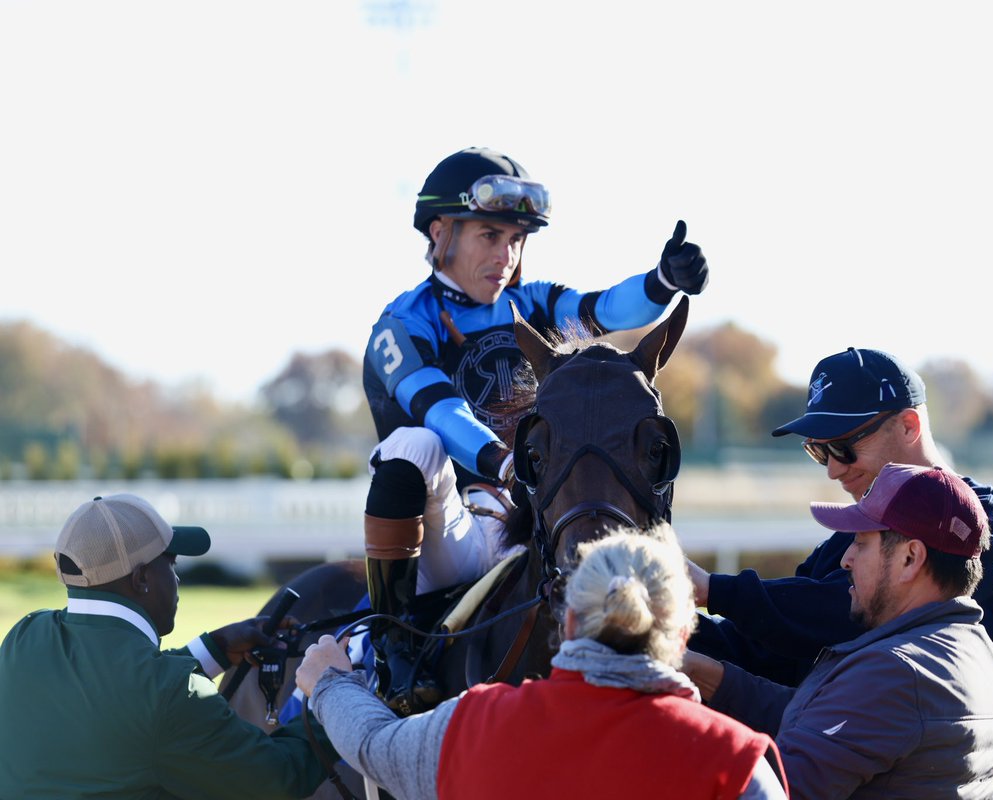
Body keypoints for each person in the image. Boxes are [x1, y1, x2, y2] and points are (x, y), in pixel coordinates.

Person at [361, 146, 710, 711]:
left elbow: (606, 310)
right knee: (415, 443)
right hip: (444, 528)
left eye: (516, 240)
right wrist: (502, 460)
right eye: (490, 236)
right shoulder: (402, 323)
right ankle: (392, 640)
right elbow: (439, 407)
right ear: (441, 231)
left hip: (529, 519)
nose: (506, 254)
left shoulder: (532, 303)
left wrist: (662, 280)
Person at [686, 347, 993, 800]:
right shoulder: (853, 536)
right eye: (819, 451)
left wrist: (711, 589)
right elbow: (769, 647)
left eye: (844, 445)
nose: (834, 468)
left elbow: (836, 620)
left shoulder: (981, 523)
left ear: (909, 425)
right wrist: (655, 629)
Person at [297, 527, 788, 800]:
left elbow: (371, 745)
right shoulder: (736, 762)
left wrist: (332, 684)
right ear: (683, 633)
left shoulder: (473, 725)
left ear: (569, 622)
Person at [684, 463, 993, 798]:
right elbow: (827, 721)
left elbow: (783, 789)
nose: (846, 559)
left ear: (910, 558)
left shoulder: (895, 672)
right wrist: (706, 674)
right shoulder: (985, 657)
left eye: (861, 542)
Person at [0, 494, 339, 799]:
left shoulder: (25, 635)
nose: (176, 579)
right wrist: (337, 694)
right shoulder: (169, 695)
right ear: (142, 578)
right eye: (172, 563)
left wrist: (214, 648)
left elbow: (112, 691)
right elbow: (279, 780)